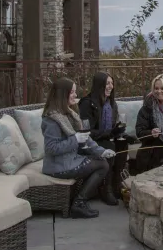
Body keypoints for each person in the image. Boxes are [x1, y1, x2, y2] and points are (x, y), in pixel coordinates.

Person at [41, 76, 115, 218]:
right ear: (63, 94)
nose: (76, 95)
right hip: (58, 167)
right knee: (102, 166)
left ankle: (80, 202)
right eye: (72, 92)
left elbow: (86, 138)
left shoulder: (68, 114)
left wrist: (102, 151)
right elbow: (51, 148)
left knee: (101, 160)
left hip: (69, 160)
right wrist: (75, 139)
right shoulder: (51, 119)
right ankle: (79, 204)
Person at [77, 72, 129, 205]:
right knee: (110, 147)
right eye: (107, 83)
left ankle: (117, 184)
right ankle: (106, 190)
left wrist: (119, 131)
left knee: (123, 143)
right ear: (99, 85)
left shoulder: (111, 103)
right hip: (89, 142)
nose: (110, 86)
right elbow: (86, 132)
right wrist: (109, 133)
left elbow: (111, 129)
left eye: (112, 83)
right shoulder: (87, 103)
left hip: (105, 137)